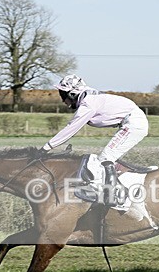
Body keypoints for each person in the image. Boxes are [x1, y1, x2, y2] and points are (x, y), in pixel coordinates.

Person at [41, 74, 149, 207]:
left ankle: (113, 197)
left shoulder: (88, 103)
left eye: (63, 95)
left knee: (105, 158)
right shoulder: (89, 98)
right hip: (133, 122)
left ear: (72, 94)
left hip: (133, 123)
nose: (63, 100)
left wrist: (46, 148)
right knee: (105, 158)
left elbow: (71, 128)